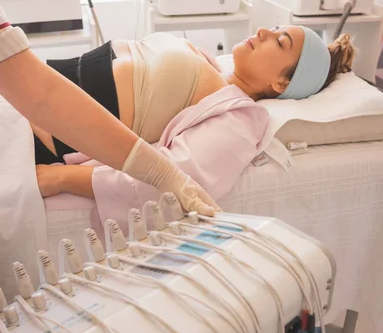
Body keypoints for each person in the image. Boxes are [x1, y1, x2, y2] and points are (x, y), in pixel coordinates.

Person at [32, 23, 355, 203]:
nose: (261, 32)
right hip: (24, 95)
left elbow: (179, 177)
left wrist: (64, 177)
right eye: (271, 28)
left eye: (278, 41)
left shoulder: (239, 121)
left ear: (282, 83)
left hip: (34, 134)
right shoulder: (211, 66)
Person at [0, 0, 219, 217]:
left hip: (29, 127)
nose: (260, 32)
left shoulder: (236, 109)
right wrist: (162, 174)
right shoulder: (202, 59)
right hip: (13, 119)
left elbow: (41, 92)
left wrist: (164, 174)